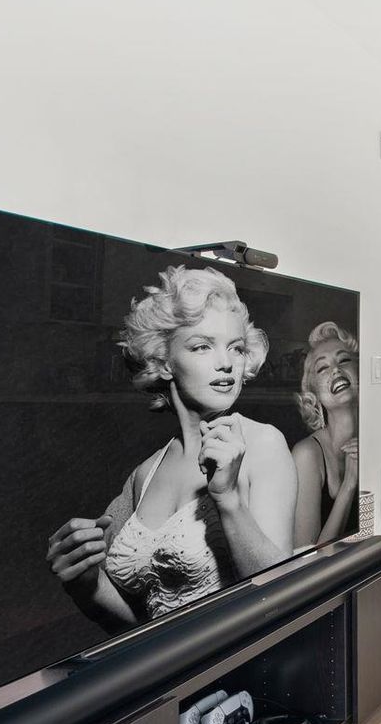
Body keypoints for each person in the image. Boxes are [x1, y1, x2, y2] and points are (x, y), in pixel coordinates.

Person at [45, 266, 297, 632]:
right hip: (170, 663)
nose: (226, 363)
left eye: (236, 348)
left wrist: (228, 499)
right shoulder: (145, 474)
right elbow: (139, 626)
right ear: (164, 362)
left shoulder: (263, 444)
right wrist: (86, 584)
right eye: (202, 346)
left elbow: (281, 600)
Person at [290, 321, 361, 548]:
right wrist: (349, 484)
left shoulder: (378, 437)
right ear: (313, 393)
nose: (336, 370)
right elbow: (308, 559)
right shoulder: (307, 455)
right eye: (322, 368)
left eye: (344, 360)